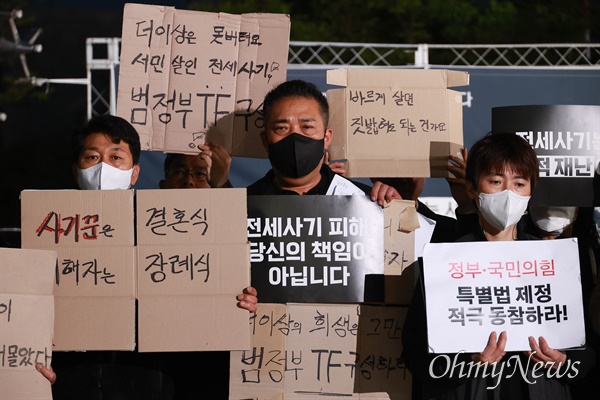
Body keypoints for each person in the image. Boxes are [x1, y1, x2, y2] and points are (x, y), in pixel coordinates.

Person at [37, 115, 257, 398]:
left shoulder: (155, 227)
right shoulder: (46, 230)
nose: (104, 167)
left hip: (156, 378)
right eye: (92, 156)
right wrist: (37, 359)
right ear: (75, 168)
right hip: (77, 379)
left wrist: (242, 302)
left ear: (135, 173)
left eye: (116, 157)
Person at [401, 132, 596, 399]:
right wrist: (467, 364)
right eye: (495, 181)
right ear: (472, 189)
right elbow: (414, 355)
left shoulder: (554, 262)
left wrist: (563, 362)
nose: (508, 193)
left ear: (530, 193)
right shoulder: (444, 261)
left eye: (519, 183)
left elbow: (586, 356)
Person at [246, 79, 399, 204]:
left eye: (307, 126)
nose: (295, 136)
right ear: (265, 140)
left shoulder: (364, 201)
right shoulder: (243, 207)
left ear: (326, 138)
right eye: (282, 128)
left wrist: (398, 208)